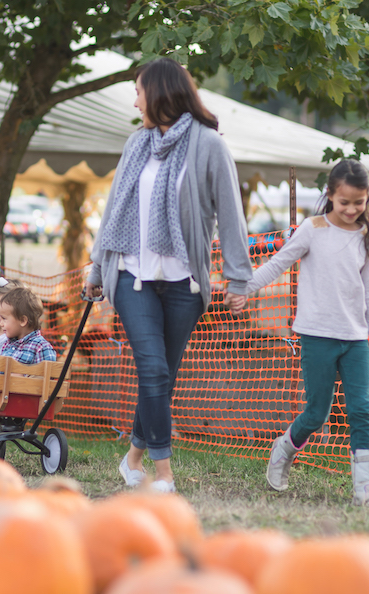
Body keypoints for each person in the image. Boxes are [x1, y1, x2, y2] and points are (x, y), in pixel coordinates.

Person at [85, 57, 252, 494]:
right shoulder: (135, 144)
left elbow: (230, 214)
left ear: (158, 93)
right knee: (154, 370)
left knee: (162, 376)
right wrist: (96, 264)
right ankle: (163, 474)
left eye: (138, 89)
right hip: (130, 275)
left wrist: (238, 278)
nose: (135, 98)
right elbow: (115, 208)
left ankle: (134, 456)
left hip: (185, 283)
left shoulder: (208, 145)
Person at [236, 158, 369, 508]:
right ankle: (285, 448)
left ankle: (365, 490)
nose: (352, 209)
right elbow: (279, 263)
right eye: (345, 202)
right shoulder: (312, 228)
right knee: (317, 413)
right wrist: (245, 289)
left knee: (362, 410)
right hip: (317, 336)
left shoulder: (368, 238)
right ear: (330, 196)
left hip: (354, 340)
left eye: (359, 202)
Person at [0, 286, 56, 364]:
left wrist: (22, 375)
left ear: (22, 320)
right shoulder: (7, 344)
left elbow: (49, 373)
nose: (1, 324)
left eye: (4, 319)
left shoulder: (41, 347)